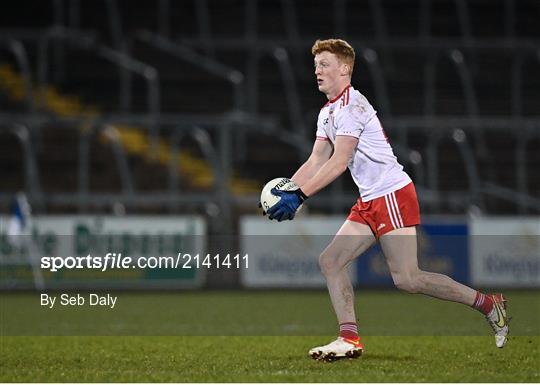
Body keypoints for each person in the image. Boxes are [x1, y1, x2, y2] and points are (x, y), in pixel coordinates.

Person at [264, 39, 509, 360]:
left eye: (324, 64)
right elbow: (315, 160)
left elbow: (339, 161)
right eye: (315, 66)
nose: (317, 71)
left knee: (408, 278)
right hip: (371, 198)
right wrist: (285, 190)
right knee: (331, 261)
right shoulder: (328, 112)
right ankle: (349, 338)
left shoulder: (353, 106)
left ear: (345, 68)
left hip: (392, 193)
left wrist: (300, 196)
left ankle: (489, 305)